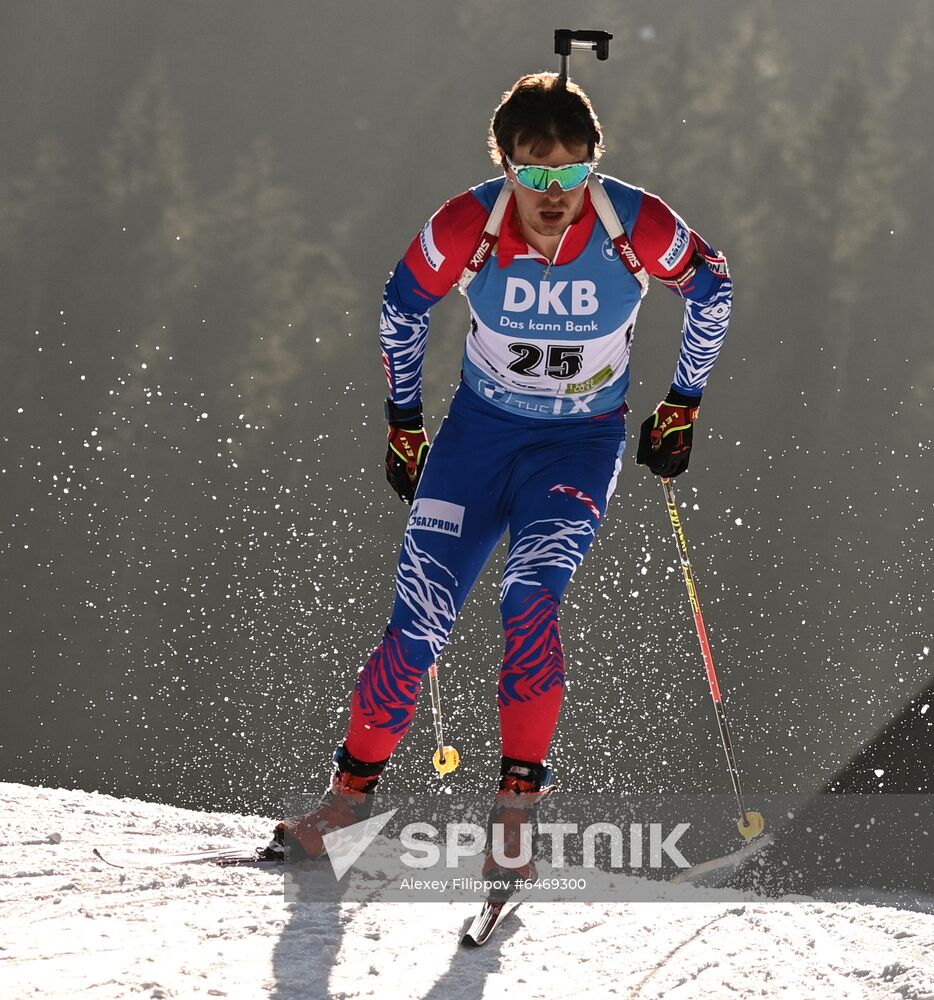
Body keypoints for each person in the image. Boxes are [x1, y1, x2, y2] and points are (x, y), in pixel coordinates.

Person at [271, 72, 732, 874]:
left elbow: (712, 287)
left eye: (572, 171)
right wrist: (404, 421)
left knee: (531, 597)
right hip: (478, 442)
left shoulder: (634, 222)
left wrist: (683, 402)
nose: (555, 193)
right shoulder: (467, 223)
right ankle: (345, 805)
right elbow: (401, 305)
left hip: (578, 446)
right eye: (535, 172)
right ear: (506, 163)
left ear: (594, 161)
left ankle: (515, 819)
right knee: (419, 623)